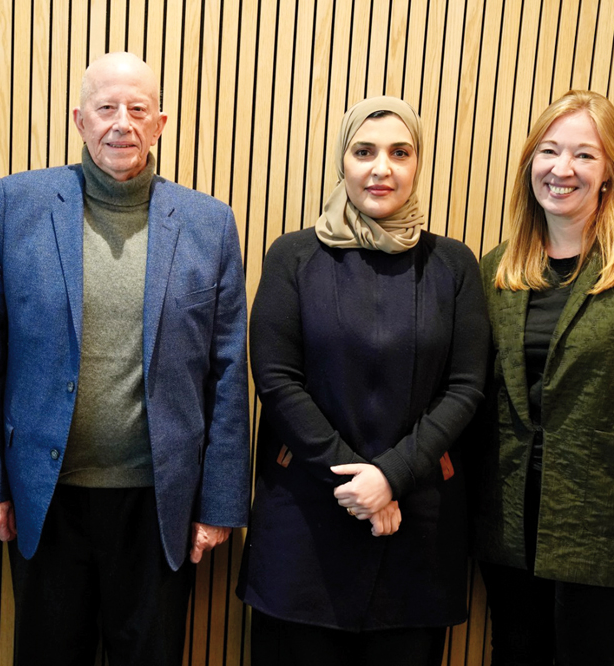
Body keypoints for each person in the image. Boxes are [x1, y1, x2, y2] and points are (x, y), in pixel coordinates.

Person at [0, 52, 250, 665]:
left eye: (138, 109)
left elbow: (227, 373)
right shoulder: (18, 204)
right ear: (79, 120)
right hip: (45, 494)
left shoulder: (208, 223)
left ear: (161, 122)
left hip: (160, 502)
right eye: (106, 108)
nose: (123, 123)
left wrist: (219, 505)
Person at [236, 96, 489, 666]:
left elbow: (467, 386)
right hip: (305, 525)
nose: (382, 168)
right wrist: (358, 488)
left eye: (400, 153)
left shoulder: (453, 265)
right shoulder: (294, 256)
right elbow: (276, 380)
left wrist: (392, 478)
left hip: (416, 526)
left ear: (418, 163)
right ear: (342, 162)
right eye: (364, 151)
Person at [471, 89, 614, 666]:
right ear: (530, 165)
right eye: (549, 151)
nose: (562, 169)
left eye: (584, 155)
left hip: (605, 526)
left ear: (610, 173)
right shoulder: (499, 267)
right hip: (508, 524)